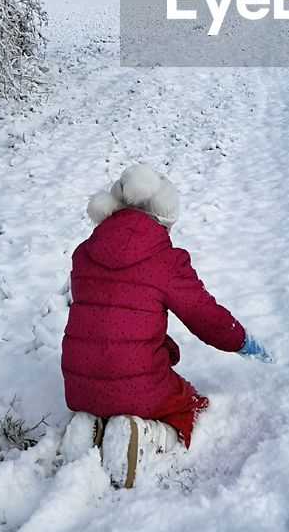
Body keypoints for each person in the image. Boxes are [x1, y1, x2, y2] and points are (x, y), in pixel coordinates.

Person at [60, 163, 272, 487]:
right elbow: (204, 315)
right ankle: (144, 435)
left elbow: (106, 316)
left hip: (77, 385)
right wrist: (240, 340)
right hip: (136, 388)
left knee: (113, 381)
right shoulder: (165, 261)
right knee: (189, 405)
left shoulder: (83, 254)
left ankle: (90, 427)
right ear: (160, 221)